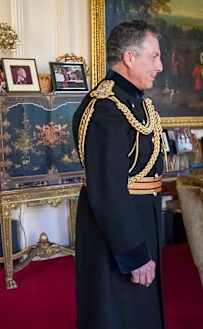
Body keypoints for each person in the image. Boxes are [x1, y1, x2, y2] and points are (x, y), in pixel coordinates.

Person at [72, 20, 165, 329]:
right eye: (154, 57)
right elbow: (108, 191)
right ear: (129, 57)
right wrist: (133, 253)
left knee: (140, 312)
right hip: (116, 234)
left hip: (140, 220)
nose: (160, 66)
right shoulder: (105, 108)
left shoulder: (136, 102)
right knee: (116, 314)